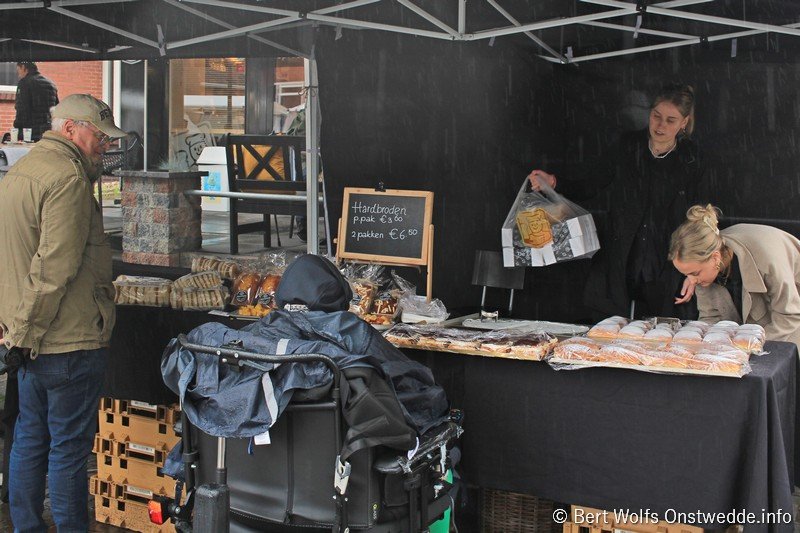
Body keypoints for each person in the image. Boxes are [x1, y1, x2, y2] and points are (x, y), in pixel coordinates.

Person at [0, 93, 126, 531]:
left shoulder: (22, 170)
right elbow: (53, 268)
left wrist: (16, 332)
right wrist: (26, 332)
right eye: (100, 136)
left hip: (29, 338)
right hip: (65, 340)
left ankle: (26, 526)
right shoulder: (68, 178)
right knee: (68, 450)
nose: (105, 146)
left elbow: (14, 258)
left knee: (30, 438)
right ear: (70, 129)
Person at [528, 83, 703, 319]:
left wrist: (694, 269)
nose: (660, 125)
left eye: (670, 120)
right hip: (620, 253)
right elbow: (590, 184)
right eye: (656, 116)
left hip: (666, 258)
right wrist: (554, 182)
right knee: (607, 326)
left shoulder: (692, 159)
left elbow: (701, 217)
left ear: (684, 122)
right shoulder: (628, 146)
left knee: (662, 329)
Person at [669, 204, 800, 347]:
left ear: (715, 257)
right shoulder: (705, 265)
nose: (692, 281)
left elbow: (790, 316)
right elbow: (710, 318)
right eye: (686, 275)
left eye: (694, 273)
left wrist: (749, 346)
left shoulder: (768, 263)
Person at [13, 62, 59, 142]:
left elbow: (22, 109)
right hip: (47, 132)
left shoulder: (24, 83)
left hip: (29, 133)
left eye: (18, 70)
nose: (18, 75)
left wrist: (17, 128)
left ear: (23, 67)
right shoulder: (51, 84)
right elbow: (56, 108)